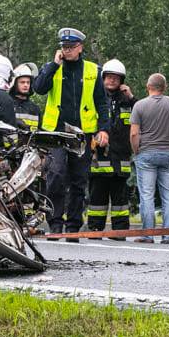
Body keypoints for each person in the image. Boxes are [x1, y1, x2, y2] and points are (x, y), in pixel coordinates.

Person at [34, 28, 110, 242]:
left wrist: (103, 129)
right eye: (63, 47)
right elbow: (38, 88)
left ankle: (73, 226)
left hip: (82, 133)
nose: (66, 51)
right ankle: (55, 223)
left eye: (70, 47)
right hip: (56, 131)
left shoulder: (93, 70)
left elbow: (101, 103)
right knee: (56, 175)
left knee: (79, 180)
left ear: (80, 48)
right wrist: (53, 65)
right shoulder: (52, 68)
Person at [130, 73, 169, 244]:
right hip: (168, 153)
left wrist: (137, 150)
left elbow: (134, 133)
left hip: (146, 153)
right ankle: (167, 236)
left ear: (148, 87)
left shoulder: (139, 106)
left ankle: (148, 235)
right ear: (164, 87)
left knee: (147, 195)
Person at [87, 59, 136, 239]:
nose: (112, 81)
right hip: (99, 158)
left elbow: (141, 113)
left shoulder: (127, 102)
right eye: (109, 77)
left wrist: (131, 97)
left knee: (120, 201)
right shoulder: (96, 100)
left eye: (116, 78)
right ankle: (94, 230)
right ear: (103, 78)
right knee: (97, 199)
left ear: (121, 80)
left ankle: (119, 231)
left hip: (120, 159)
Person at [10, 63, 41, 130]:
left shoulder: (35, 109)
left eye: (28, 82)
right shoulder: (8, 104)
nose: (26, 85)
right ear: (15, 84)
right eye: (22, 82)